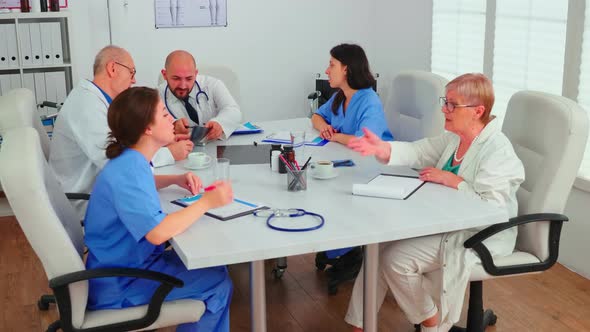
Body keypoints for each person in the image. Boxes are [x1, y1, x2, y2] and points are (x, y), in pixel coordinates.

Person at [344, 73, 525, 332]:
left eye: (452, 104)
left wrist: (453, 181)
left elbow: (492, 209)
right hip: (446, 221)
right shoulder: (456, 138)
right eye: (445, 101)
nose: (444, 109)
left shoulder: (498, 151)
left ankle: (430, 320)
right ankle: (360, 326)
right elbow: (420, 150)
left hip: (480, 236)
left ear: (477, 111)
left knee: (395, 260)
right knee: (378, 244)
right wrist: (384, 149)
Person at [84, 86, 234, 331]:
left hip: (120, 268)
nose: (172, 120)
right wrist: (208, 202)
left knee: (214, 268)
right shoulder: (130, 169)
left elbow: (138, 186)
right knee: (218, 282)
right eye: (164, 114)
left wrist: (173, 180)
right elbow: (157, 232)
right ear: (148, 128)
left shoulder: (130, 160)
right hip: (123, 282)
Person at [49, 45, 192, 219]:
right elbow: (116, 159)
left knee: (173, 208)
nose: (133, 80)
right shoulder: (86, 106)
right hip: (87, 202)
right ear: (113, 68)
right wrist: (168, 153)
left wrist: (160, 140)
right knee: (175, 212)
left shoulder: (98, 101)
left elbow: (125, 149)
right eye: (132, 72)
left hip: (105, 188)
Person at [159, 50, 242, 166]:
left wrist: (219, 123)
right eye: (176, 78)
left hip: (217, 153)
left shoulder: (213, 85)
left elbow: (234, 110)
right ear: (164, 75)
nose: (183, 85)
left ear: (196, 73)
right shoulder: (156, 96)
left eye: (189, 79)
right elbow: (150, 131)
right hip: (181, 159)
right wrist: (172, 126)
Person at [311, 43, 393, 146]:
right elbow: (317, 116)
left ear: (346, 69)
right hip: (348, 153)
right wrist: (324, 128)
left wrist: (335, 136)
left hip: (374, 159)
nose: (327, 71)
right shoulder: (339, 96)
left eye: (332, 65)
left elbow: (367, 141)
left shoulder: (370, 101)